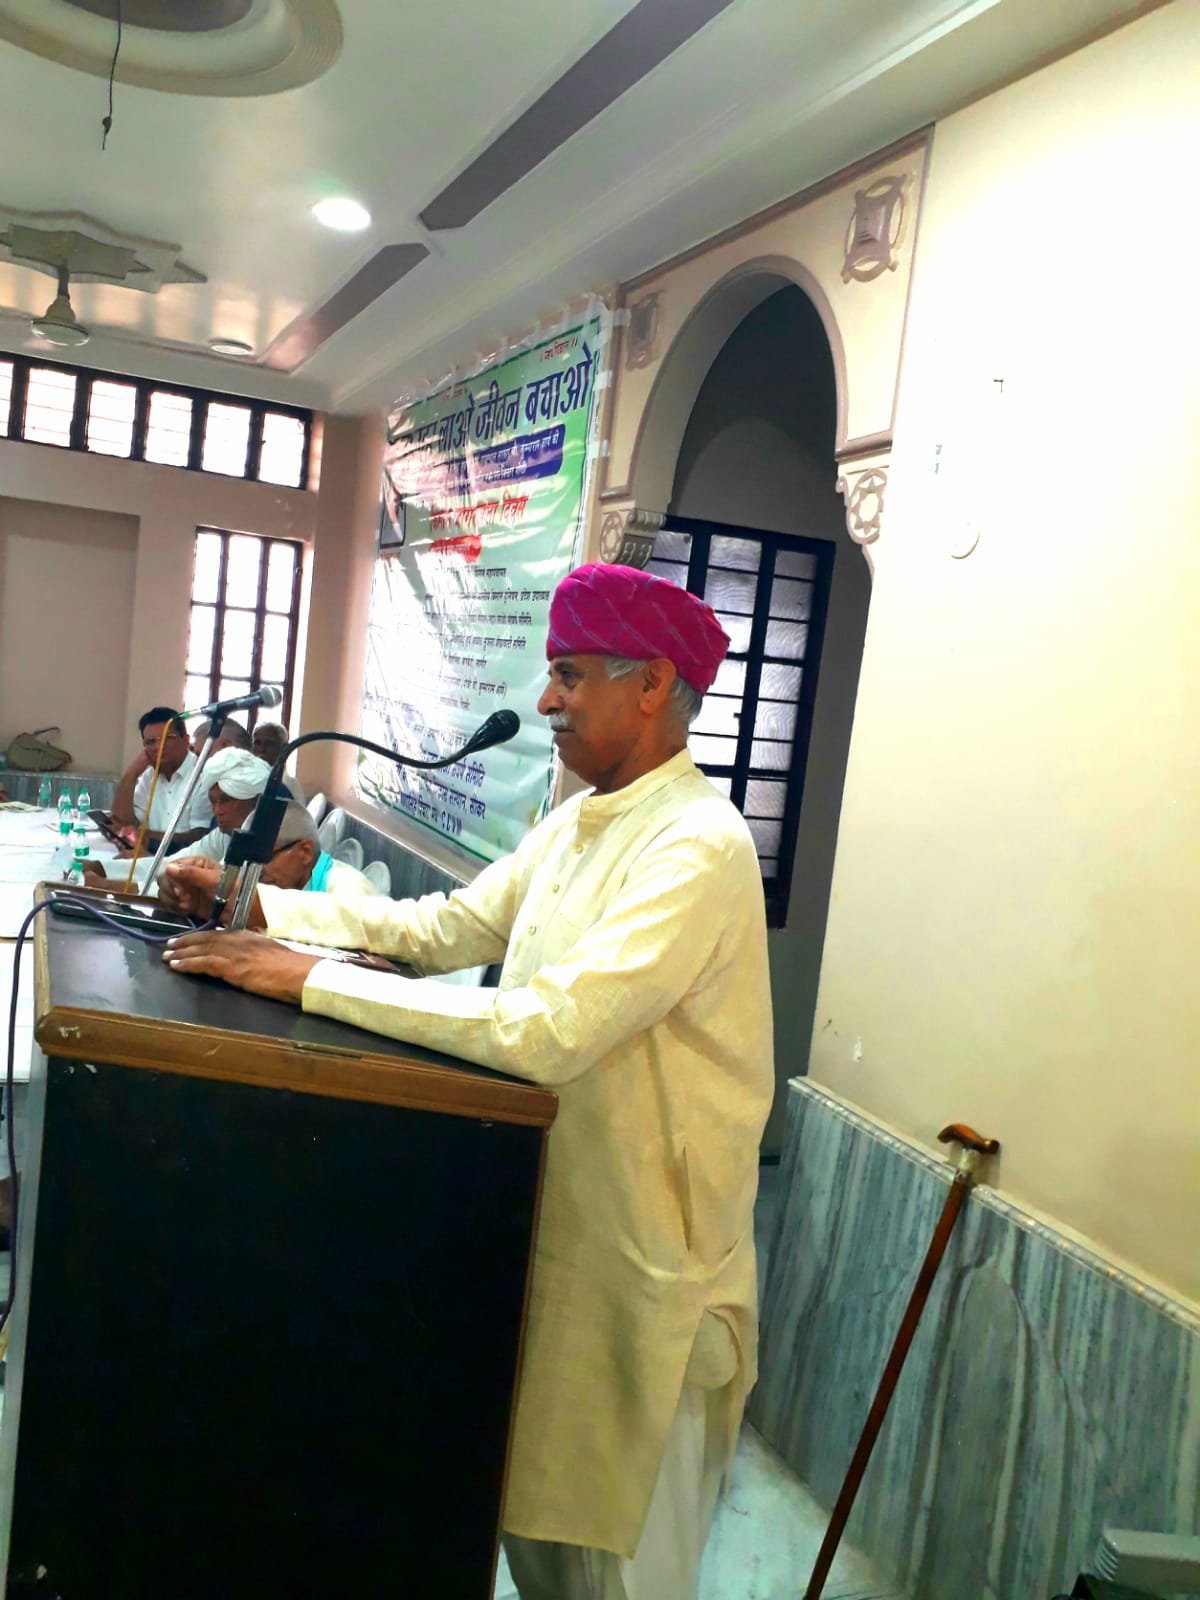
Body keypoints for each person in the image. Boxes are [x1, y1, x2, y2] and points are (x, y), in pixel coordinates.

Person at [162, 563, 773, 1600]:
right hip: (555, 1228)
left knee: (616, 1569)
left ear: (652, 684)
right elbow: (445, 928)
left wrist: (311, 981)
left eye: (570, 675)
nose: (547, 700)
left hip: (644, 1277)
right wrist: (259, 906)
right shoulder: (578, 821)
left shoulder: (699, 846)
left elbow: (553, 1028)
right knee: (538, 1535)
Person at [84, 749, 273, 893]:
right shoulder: (225, 834)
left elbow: (210, 892)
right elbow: (171, 864)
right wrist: (102, 868)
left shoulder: (262, 840)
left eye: (226, 801)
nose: (217, 811)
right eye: (213, 801)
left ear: (255, 800)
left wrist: (111, 886)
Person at [110, 707, 212, 852]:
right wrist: (131, 773)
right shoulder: (149, 775)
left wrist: (142, 835)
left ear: (185, 740)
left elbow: (198, 838)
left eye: (167, 738)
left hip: (183, 861)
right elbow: (124, 823)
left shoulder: (202, 774)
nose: (158, 747)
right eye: (150, 741)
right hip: (146, 856)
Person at [252, 719, 306, 805]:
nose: (262, 749)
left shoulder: (290, 788)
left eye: (269, 743)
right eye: (257, 743)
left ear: (284, 748)